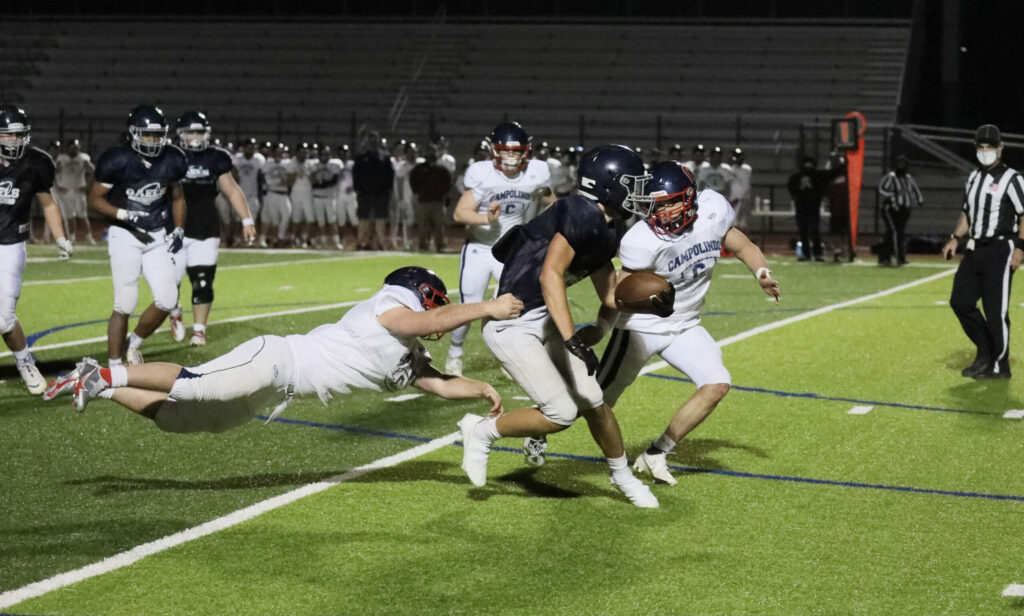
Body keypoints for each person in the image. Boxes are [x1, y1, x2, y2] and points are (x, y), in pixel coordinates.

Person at [55, 268, 524, 436]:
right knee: (205, 385)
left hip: (278, 391)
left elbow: (439, 385)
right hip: (278, 359)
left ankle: (98, 383)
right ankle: (112, 374)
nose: (437, 311)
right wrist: (488, 306)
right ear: (415, 293)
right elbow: (430, 320)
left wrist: (481, 388)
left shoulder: (409, 349)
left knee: (182, 420)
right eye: (434, 300)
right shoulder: (389, 309)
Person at [456, 144, 659, 509]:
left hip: (544, 317)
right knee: (561, 413)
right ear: (608, 185)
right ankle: (481, 431)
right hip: (512, 322)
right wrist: (571, 339)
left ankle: (622, 476)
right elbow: (551, 273)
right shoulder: (579, 210)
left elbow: (609, 292)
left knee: (595, 400)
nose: (639, 193)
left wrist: (605, 324)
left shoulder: (606, 226)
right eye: (633, 183)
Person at [593, 161, 779, 486]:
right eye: (656, 205)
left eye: (670, 203)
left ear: (691, 198)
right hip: (641, 327)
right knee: (596, 399)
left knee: (716, 384)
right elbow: (619, 293)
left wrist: (761, 272)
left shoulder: (712, 213)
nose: (661, 213)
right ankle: (542, 428)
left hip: (685, 323)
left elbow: (743, 245)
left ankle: (656, 453)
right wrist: (602, 327)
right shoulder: (641, 239)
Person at [444, 121, 554, 377]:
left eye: (516, 151)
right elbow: (460, 213)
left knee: (515, 308)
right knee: (470, 304)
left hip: (513, 251)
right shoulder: (482, 174)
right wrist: (486, 220)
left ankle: (511, 358)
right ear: (495, 151)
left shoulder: (537, 173)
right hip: (481, 249)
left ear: (526, 152)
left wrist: (541, 227)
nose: (511, 156)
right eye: (506, 150)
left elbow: (552, 202)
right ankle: (455, 353)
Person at [88, 105, 186, 367]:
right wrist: (124, 215)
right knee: (125, 302)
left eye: (157, 135)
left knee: (167, 300)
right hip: (126, 234)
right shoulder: (117, 160)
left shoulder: (173, 158)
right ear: (133, 134)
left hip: (156, 234)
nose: (153, 141)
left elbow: (177, 197)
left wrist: (178, 228)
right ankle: (114, 365)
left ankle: (133, 343)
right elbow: (95, 199)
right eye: (146, 135)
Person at [0, 105, 74, 394]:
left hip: (9, 244)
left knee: (4, 318)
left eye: (19, 136)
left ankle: (24, 360)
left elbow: (48, 203)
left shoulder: (36, 162)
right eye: (8, 136)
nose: (14, 142)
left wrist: (60, 237)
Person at [941, 124, 1024, 379]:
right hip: (975, 247)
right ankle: (986, 351)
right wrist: (955, 238)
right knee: (960, 301)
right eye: (981, 147)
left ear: (1000, 148)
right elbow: (967, 212)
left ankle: (1000, 365)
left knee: (995, 310)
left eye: (990, 147)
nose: (985, 151)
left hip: (1000, 248)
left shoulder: (1013, 178)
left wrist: (1020, 248)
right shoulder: (974, 177)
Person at [166, 111, 256, 347]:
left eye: (199, 131)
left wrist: (247, 221)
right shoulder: (170, 156)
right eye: (190, 132)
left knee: (203, 281)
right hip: (173, 228)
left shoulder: (216, 158)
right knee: (168, 285)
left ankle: (199, 331)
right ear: (180, 135)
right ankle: (173, 309)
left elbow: (232, 190)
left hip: (205, 226)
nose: (195, 137)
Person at [877, 155, 923, 266]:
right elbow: (881, 189)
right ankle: (896, 257)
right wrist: (894, 194)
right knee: (894, 232)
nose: (901, 167)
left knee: (897, 233)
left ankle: (889, 257)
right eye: (899, 164)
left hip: (905, 209)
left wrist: (919, 200)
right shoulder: (891, 177)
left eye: (903, 164)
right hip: (892, 208)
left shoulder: (908, 178)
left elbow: (915, 189)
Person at [352, 131, 393, 250]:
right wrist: (358, 190)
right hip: (364, 193)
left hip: (381, 193)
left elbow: (389, 176)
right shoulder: (361, 158)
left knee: (380, 218)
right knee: (363, 218)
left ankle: (381, 243)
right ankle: (360, 242)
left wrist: (387, 191)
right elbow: (356, 175)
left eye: (374, 140)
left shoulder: (384, 158)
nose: (372, 143)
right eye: (370, 140)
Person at [409, 146, 452, 252]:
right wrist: (417, 191)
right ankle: (423, 245)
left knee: (439, 225)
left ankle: (440, 245)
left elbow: (448, 183)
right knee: (423, 225)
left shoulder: (442, 169)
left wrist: (444, 194)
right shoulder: (419, 168)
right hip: (423, 200)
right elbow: (413, 180)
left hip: (438, 201)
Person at [53, 139, 96, 244]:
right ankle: (72, 237)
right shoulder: (62, 158)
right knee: (69, 216)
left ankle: (89, 237)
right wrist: (57, 186)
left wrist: (87, 186)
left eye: (76, 147)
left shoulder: (83, 158)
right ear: (68, 148)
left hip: (78, 189)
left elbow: (93, 171)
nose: (75, 150)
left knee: (82, 215)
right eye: (72, 147)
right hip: (66, 190)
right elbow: (53, 172)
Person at [787, 156, 828, 261]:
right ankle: (806, 253)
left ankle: (817, 253)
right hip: (801, 207)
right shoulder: (797, 177)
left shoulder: (816, 176)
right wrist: (800, 190)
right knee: (803, 232)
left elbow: (821, 189)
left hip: (813, 208)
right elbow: (791, 189)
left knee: (814, 231)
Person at [310, 145, 344, 250]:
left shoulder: (335, 164)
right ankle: (324, 241)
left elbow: (334, 181)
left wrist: (322, 184)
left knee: (332, 220)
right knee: (321, 221)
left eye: (326, 154)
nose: (324, 156)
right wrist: (322, 184)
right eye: (322, 154)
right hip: (317, 196)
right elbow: (312, 182)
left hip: (330, 197)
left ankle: (336, 241)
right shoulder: (314, 165)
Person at [233, 138, 265, 246]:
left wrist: (260, 195)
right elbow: (234, 176)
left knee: (252, 219)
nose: (250, 150)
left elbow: (261, 178)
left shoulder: (259, 159)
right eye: (248, 147)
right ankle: (237, 238)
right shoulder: (237, 159)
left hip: (253, 194)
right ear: (244, 148)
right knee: (238, 219)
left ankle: (249, 239)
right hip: (240, 194)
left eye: (252, 147)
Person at [261, 144, 294, 247]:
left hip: (284, 194)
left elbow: (289, 181)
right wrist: (281, 180)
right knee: (274, 219)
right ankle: (274, 240)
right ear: (273, 153)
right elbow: (268, 181)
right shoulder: (267, 164)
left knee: (287, 215)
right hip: (272, 193)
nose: (279, 154)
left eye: (281, 152)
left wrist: (283, 181)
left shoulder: (288, 163)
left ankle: (280, 237)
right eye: (277, 151)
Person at [824, 150, 854, 262]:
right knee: (837, 231)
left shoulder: (846, 175)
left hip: (844, 208)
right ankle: (838, 251)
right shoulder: (832, 176)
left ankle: (843, 250)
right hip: (837, 208)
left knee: (843, 231)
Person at [288, 142, 315, 247]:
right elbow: (288, 182)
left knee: (310, 218)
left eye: (306, 152)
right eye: (302, 152)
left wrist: (308, 174)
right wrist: (295, 174)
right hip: (295, 194)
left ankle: (305, 238)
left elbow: (314, 181)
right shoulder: (291, 163)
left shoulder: (310, 164)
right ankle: (294, 239)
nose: (304, 154)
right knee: (296, 218)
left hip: (307, 193)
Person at [728, 147, 752, 230]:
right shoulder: (732, 168)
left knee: (742, 223)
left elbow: (745, 187)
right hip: (732, 199)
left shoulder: (746, 169)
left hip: (742, 200)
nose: (737, 158)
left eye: (738, 156)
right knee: (733, 223)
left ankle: (745, 241)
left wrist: (736, 200)